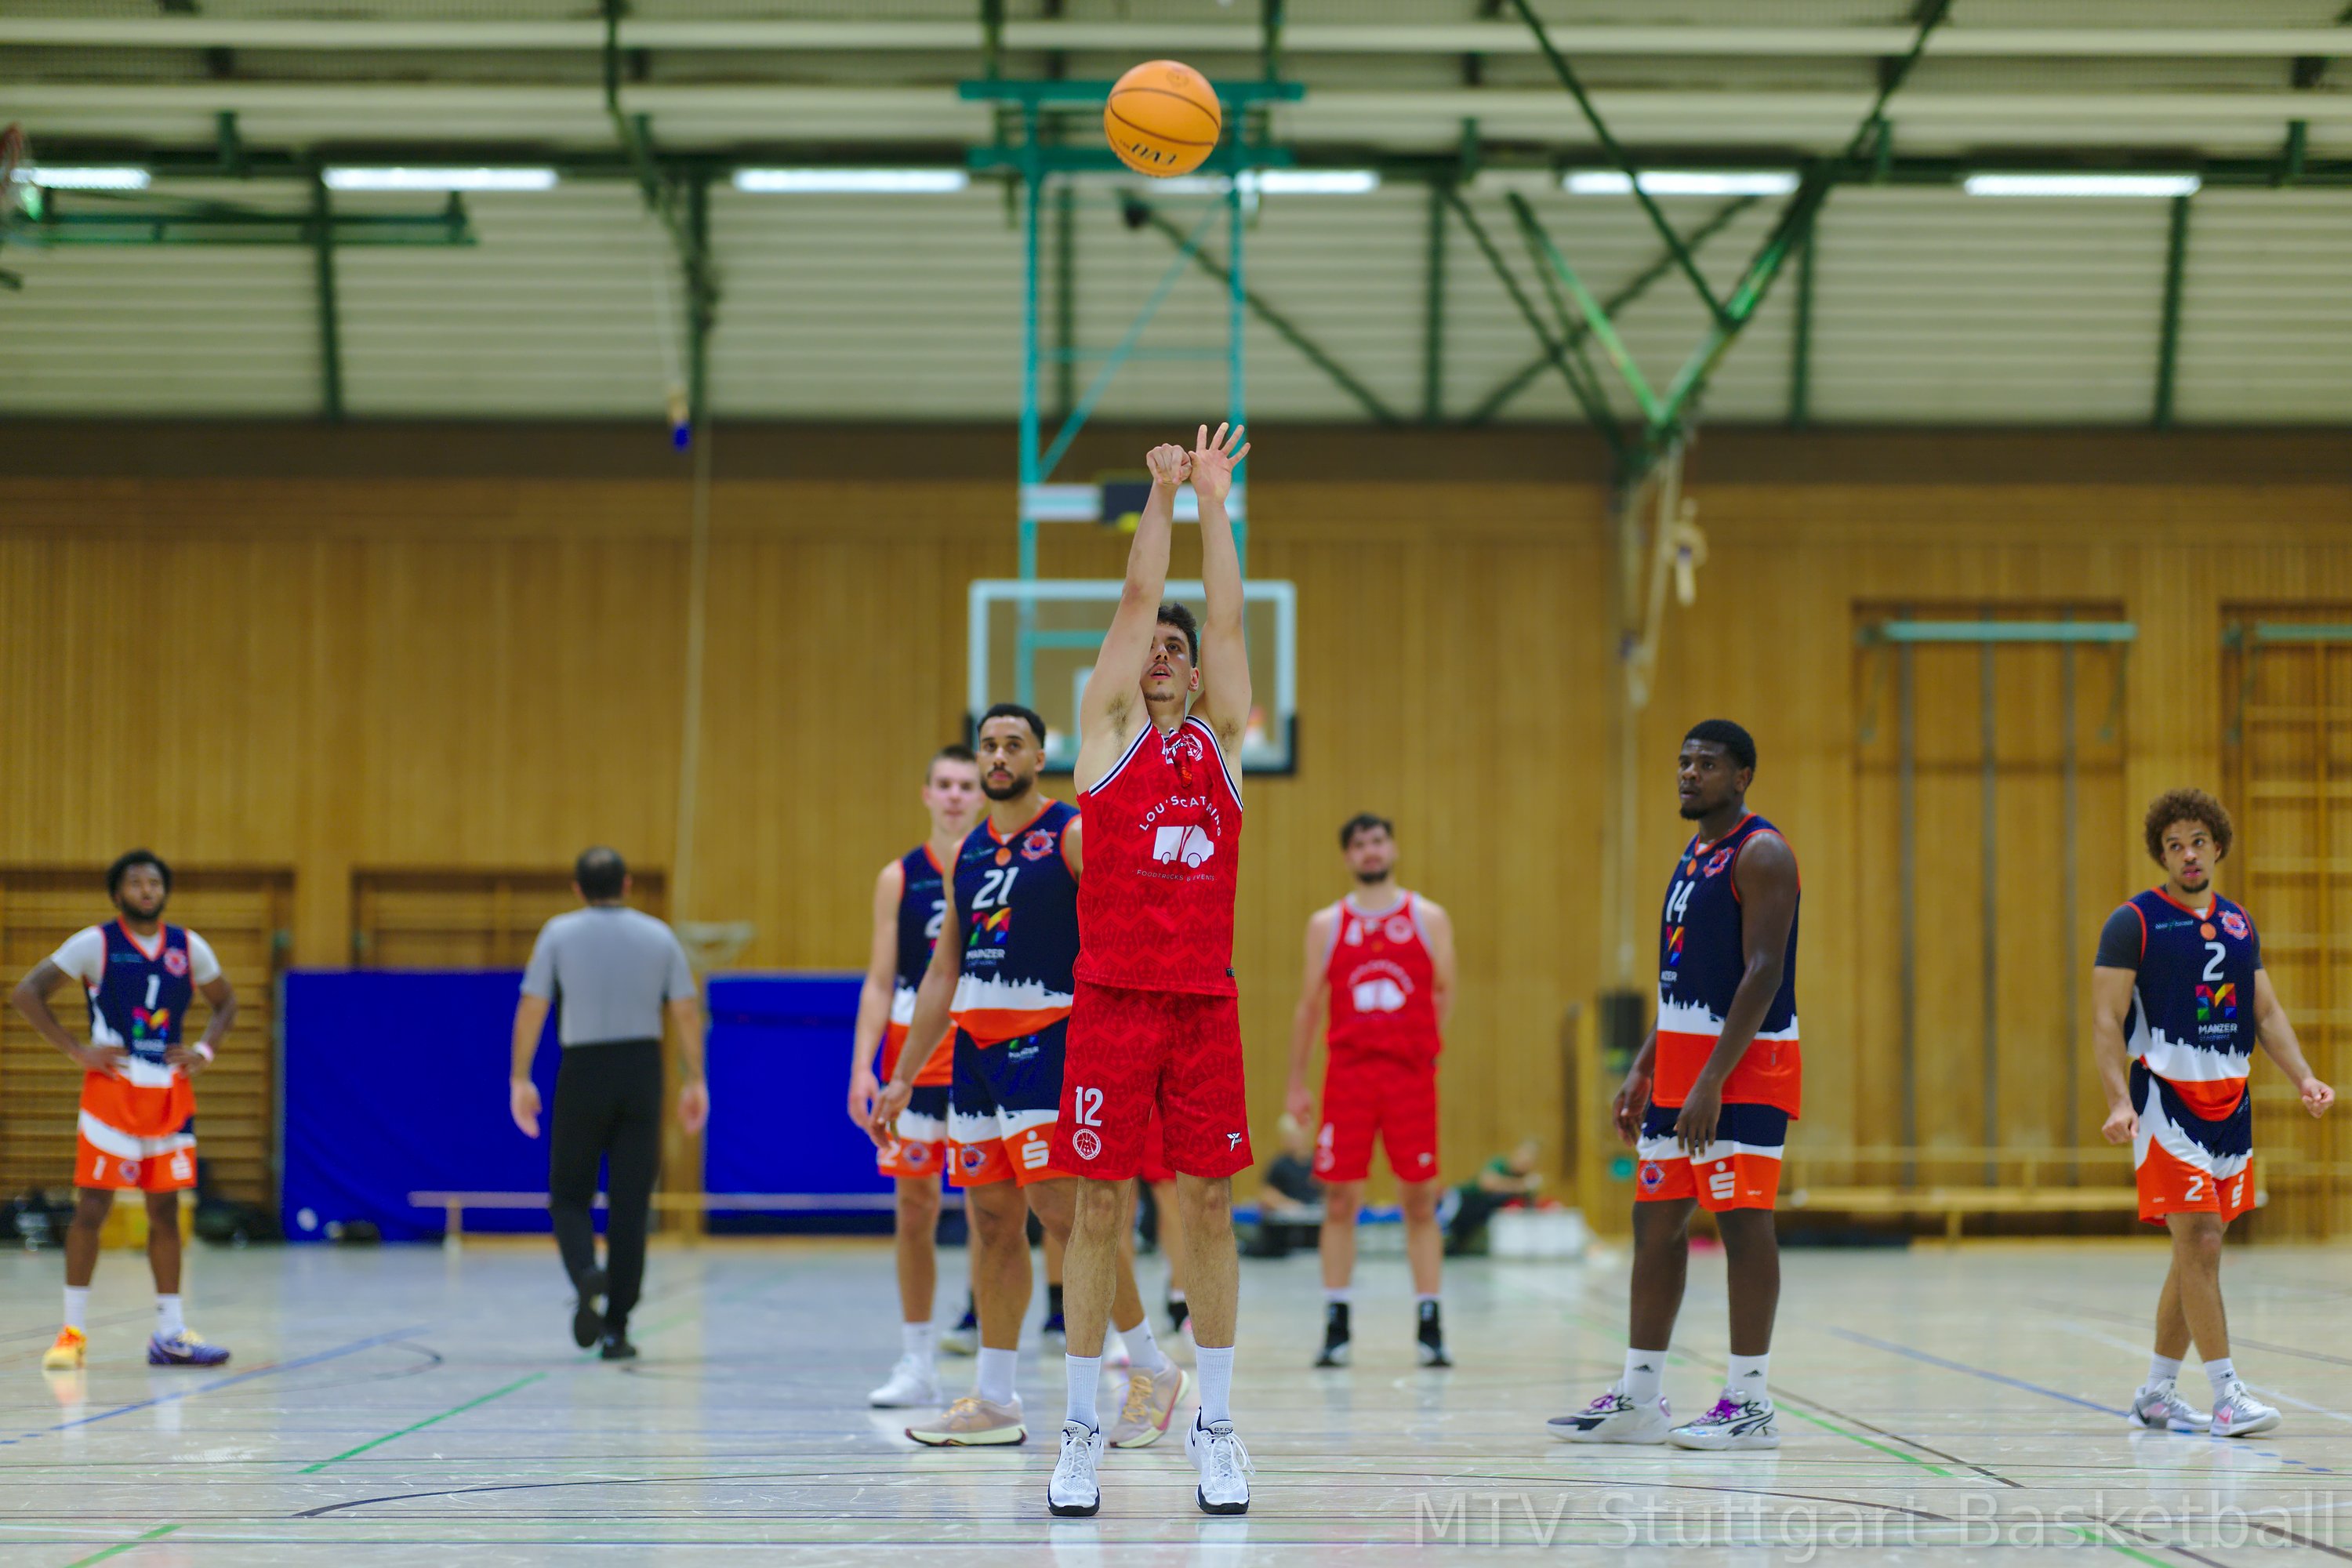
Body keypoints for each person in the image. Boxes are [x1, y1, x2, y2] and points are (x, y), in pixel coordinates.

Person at [873, 705, 1179, 1449]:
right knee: (990, 1223)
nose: (998, 756)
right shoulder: (968, 853)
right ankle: (996, 1399)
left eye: (1014, 745)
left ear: (1040, 758)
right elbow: (943, 969)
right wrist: (904, 1075)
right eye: (989, 745)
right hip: (974, 1053)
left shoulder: (1072, 833)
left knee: (1064, 1216)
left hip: (1050, 1041)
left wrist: (1130, 1038)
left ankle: (1151, 1365)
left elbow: (1127, 932)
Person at [1048, 423, 1256, 1519]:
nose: (1167, 651)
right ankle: (1082, 1427)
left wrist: (1218, 499)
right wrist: (1165, 495)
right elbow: (1142, 599)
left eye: (1179, 647)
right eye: (1155, 646)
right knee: (1098, 1207)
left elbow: (1224, 617)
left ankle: (1215, 1425)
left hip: (1202, 1005)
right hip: (1113, 1001)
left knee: (1210, 1204)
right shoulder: (1107, 730)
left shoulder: (1221, 742)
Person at [1553, 720, 1798, 1452]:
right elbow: (1686, 981)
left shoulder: (1762, 853)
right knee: (1654, 1225)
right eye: (1685, 761)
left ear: (1743, 776)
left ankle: (1750, 1402)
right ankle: (1639, 1397)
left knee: (1743, 1225)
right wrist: (1645, 1065)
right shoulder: (1695, 855)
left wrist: (1712, 1080)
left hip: (1743, 1075)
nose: (1690, 773)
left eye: (1708, 764)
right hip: (1682, 1079)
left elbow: (1763, 973)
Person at [2094, 788, 2334, 1437]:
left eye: (2198, 842)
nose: (2188, 854)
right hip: (2165, 1102)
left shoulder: (2238, 923)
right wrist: (2118, 1100)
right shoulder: (2133, 922)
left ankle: (2155, 1393)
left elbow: (2266, 1012)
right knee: (2200, 1240)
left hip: (2230, 1107)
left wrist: (2305, 1076)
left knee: (2195, 1250)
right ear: (2162, 856)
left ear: (2218, 846)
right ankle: (2228, 1396)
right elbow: (2105, 1019)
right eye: (2174, 845)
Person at [13, 850, 238, 1370]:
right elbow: (27, 993)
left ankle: (170, 1334)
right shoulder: (96, 943)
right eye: (135, 882)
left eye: (154, 882)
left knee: (166, 1213)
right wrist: (76, 1049)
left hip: (168, 1095)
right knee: (92, 1209)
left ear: (165, 891)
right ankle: (72, 1333)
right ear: (118, 893)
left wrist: (204, 1050)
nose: (146, 890)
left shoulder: (188, 946)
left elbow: (226, 1002)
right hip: (112, 1092)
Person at [508, 847, 709, 1361]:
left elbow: (532, 1006)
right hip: (640, 1070)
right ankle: (617, 1328)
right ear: (628, 884)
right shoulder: (658, 936)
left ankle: (585, 1273)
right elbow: (686, 1010)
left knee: (569, 1195)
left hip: (582, 1069)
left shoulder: (558, 934)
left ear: (578, 889)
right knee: (630, 1204)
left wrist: (520, 1077)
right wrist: (696, 1079)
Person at [1284, 812, 1457, 1369]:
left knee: (1420, 1200)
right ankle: (1337, 1322)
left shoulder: (1427, 917)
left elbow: (1444, 989)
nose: (1370, 851)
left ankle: (1430, 1321)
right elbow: (1309, 1007)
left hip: (1409, 1077)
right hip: (1349, 1077)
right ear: (1347, 857)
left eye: (1378, 840)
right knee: (1339, 1201)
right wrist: (1295, 1084)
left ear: (1392, 847)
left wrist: (1425, 1046)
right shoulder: (1327, 924)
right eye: (1359, 844)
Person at [851, 744, 983, 1408]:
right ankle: (917, 1359)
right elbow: (880, 981)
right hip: (913, 1056)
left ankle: (992, 1358)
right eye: (945, 784)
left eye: (966, 785)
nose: (956, 794)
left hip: (982, 1049)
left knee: (992, 1209)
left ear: (982, 795)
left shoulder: (998, 866)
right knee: (914, 1208)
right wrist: (862, 1067)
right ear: (927, 793)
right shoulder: (898, 877)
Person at [1444, 1138, 1545, 1256]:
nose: (1524, 1161)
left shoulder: (1526, 1179)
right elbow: (1487, 1183)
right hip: (1463, 1200)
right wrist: (1521, 1186)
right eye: (1523, 1155)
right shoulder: (1501, 1164)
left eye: (1530, 1159)